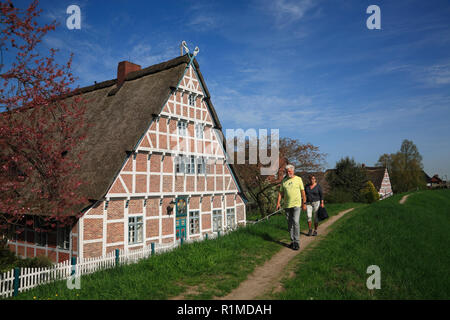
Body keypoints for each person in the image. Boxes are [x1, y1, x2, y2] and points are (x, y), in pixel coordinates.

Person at [276, 164, 306, 250]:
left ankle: (297, 242)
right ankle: (292, 241)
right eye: (287, 171)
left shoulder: (298, 179)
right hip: (287, 205)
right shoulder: (284, 181)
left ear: (293, 171)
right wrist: (278, 203)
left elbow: (303, 192)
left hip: (297, 205)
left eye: (290, 171)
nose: (288, 173)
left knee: (295, 222)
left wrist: (304, 203)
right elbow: (280, 193)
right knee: (290, 224)